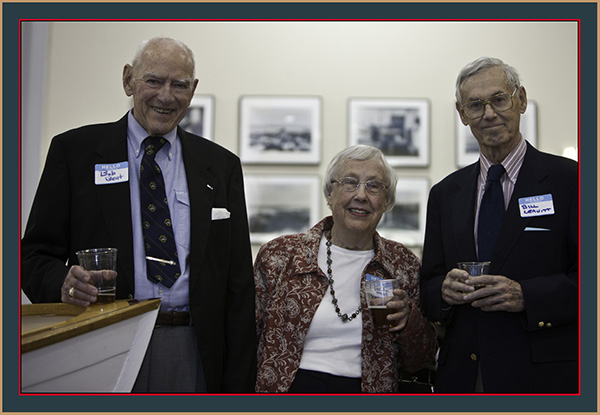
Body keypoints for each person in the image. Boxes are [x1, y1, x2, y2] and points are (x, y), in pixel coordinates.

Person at [21, 37, 256, 393]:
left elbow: (238, 284)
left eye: (179, 85)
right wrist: (63, 283)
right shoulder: (75, 153)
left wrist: (238, 384)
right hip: (102, 341)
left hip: (194, 349)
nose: (166, 95)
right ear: (128, 80)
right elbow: (33, 256)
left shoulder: (220, 166)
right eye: (153, 81)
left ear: (192, 91)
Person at [420, 57, 578, 393]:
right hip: (463, 376)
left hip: (542, 376)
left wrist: (527, 296)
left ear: (520, 99)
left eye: (499, 99)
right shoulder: (445, 194)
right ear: (462, 115)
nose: (489, 113)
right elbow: (428, 284)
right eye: (475, 105)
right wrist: (443, 293)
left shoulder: (573, 181)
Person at [254, 145, 437, 393]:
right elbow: (246, 340)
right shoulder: (280, 255)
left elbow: (420, 359)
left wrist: (408, 320)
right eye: (350, 182)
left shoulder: (402, 264)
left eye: (374, 186)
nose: (361, 195)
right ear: (330, 195)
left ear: (386, 202)